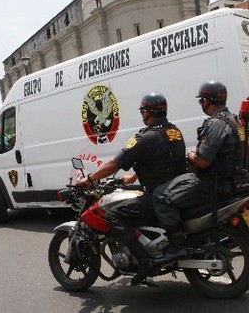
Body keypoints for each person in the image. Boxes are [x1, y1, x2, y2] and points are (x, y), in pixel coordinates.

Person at [76, 91, 188, 285]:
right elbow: (161, 159)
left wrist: (90, 178)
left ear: (149, 111)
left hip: (157, 194)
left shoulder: (145, 138)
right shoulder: (174, 131)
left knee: (114, 215)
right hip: (175, 189)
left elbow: (115, 164)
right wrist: (134, 176)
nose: (142, 114)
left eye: (143, 110)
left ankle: (144, 261)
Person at [152, 80, 246, 266]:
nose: (201, 104)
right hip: (228, 181)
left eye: (202, 100)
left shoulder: (216, 124)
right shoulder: (234, 120)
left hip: (211, 184)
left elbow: (203, 161)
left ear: (208, 100)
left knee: (160, 195)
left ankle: (175, 246)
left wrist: (191, 154)